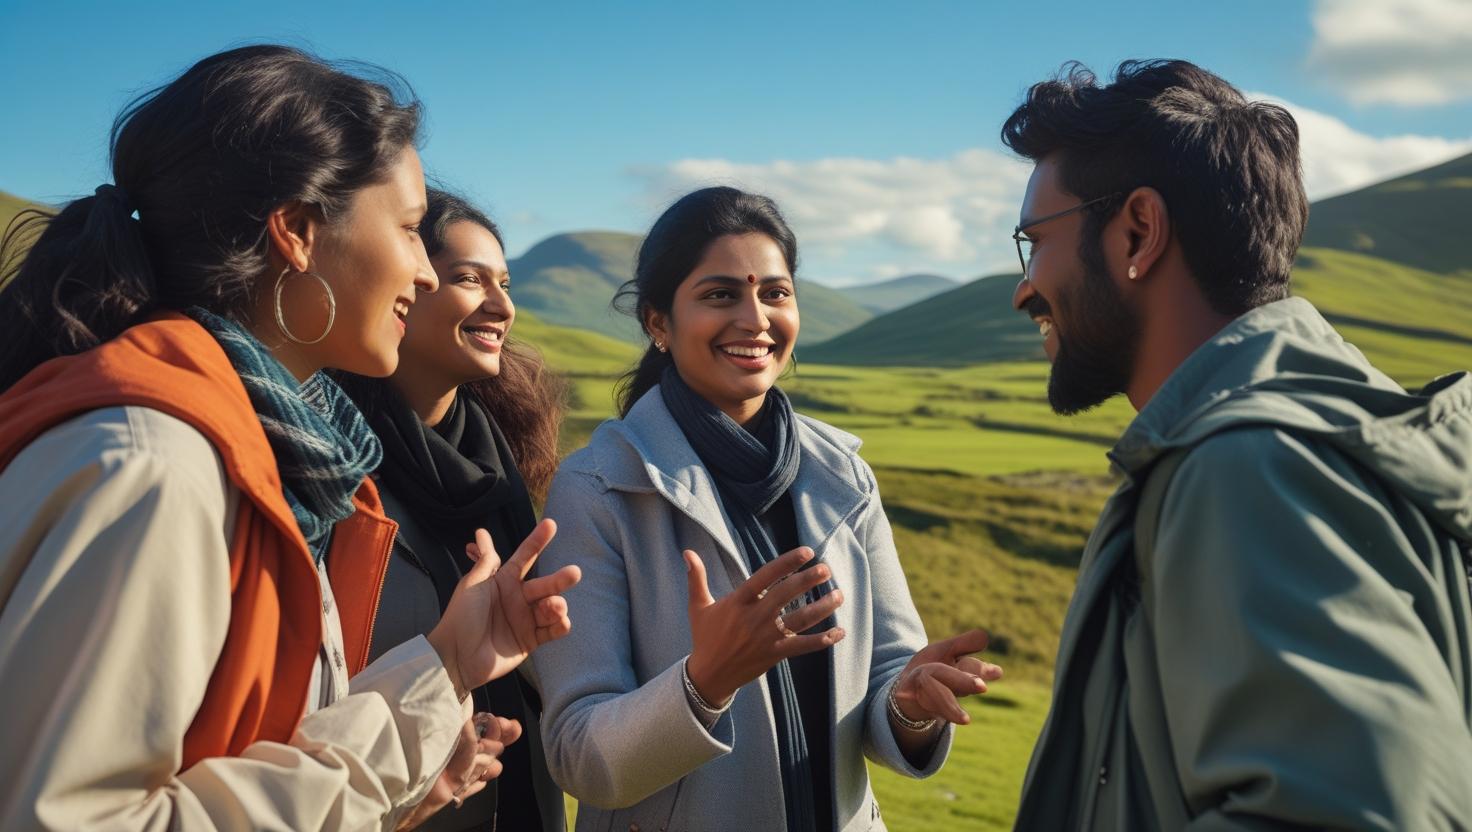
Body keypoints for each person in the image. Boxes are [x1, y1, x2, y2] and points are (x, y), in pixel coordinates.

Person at [0, 45, 579, 831]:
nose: (424, 273)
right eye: (411, 231)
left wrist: (445, 664)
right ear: (299, 231)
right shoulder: (155, 468)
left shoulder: (274, 459)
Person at [1004, 59, 1472, 828]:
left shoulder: (1247, 467)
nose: (1023, 288)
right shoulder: (1330, 431)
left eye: (1035, 243)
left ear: (1139, 231)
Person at [530, 186, 1004, 832]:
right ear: (658, 323)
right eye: (721, 295)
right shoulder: (598, 488)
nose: (756, 319)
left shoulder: (845, 476)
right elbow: (577, 753)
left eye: (776, 293)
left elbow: (888, 677)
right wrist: (705, 682)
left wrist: (909, 702)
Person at [337, 188, 568, 830]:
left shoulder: (501, 466)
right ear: (405, 282)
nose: (502, 306)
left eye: (505, 283)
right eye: (470, 279)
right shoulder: (331, 468)